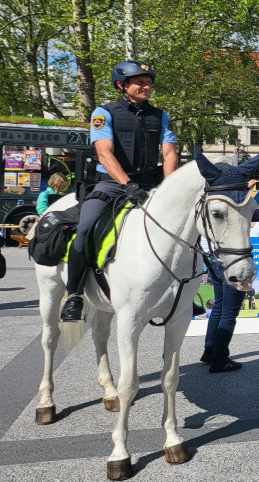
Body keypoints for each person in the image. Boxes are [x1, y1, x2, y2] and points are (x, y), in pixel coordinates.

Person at [61, 60, 178, 321]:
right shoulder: (105, 113)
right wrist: (127, 184)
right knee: (85, 228)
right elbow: (104, 153)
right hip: (112, 184)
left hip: (150, 184)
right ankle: (74, 295)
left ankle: (180, 292)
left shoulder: (161, 116)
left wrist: (168, 188)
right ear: (122, 85)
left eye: (148, 83)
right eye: (140, 82)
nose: (146, 87)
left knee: (183, 228)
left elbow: (169, 154)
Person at [200, 173, 259, 373]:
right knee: (229, 312)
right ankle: (220, 359)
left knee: (218, 307)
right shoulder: (241, 209)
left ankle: (210, 350)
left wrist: (246, 192)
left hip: (214, 260)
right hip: (234, 263)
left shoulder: (215, 204)